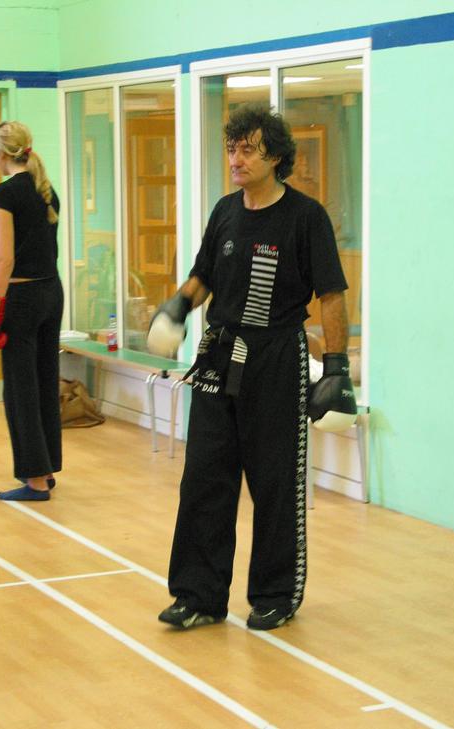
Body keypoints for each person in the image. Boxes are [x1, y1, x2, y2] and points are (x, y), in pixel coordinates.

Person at [148, 105, 357, 631]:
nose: (236, 159)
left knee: (275, 483)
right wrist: (178, 306)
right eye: (232, 148)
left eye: (248, 150)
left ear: (276, 157)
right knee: (204, 479)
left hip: (277, 360)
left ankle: (275, 594)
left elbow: (331, 295)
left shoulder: (305, 217)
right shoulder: (225, 211)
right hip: (220, 355)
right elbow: (203, 275)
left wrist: (336, 367)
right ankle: (198, 596)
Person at [0, 121, 63, 501]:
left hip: (23, 298)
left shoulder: (6, 193)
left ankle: (34, 481)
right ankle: (46, 468)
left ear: (1, 152)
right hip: (52, 293)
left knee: (20, 389)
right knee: (45, 381)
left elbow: (4, 258)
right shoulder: (46, 189)